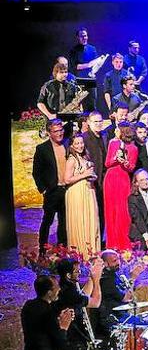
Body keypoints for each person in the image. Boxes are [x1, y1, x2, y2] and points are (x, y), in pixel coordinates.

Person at [55, 257, 104, 350]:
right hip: (74, 341)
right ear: (68, 275)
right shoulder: (69, 292)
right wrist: (97, 280)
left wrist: (91, 277)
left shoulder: (68, 287)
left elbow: (83, 297)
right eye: (77, 271)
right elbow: (95, 302)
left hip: (74, 340)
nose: (80, 272)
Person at [33, 119, 68, 253]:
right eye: (56, 131)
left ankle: (62, 246)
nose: (59, 133)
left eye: (61, 130)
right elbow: (36, 172)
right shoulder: (42, 149)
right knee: (47, 220)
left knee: (64, 221)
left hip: (66, 190)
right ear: (49, 133)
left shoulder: (67, 144)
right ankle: (42, 247)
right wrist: (43, 189)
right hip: (52, 191)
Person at [64, 133, 100, 257]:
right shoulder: (71, 160)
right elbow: (67, 180)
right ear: (72, 146)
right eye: (77, 143)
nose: (80, 146)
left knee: (91, 220)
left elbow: (92, 175)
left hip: (89, 191)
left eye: (81, 143)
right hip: (76, 193)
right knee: (80, 221)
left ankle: (92, 252)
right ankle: (81, 253)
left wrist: (92, 176)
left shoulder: (86, 158)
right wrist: (84, 175)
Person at [103, 121, 138, 250]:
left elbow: (132, 168)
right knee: (111, 211)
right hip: (110, 180)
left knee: (123, 212)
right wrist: (115, 159)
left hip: (123, 180)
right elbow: (107, 163)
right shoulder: (113, 143)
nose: (115, 131)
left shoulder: (133, 148)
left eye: (117, 129)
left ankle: (123, 243)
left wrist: (126, 163)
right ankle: (112, 244)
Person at [97, 250, 145, 340]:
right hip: (112, 319)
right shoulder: (106, 280)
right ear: (105, 264)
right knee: (143, 324)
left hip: (119, 314)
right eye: (114, 261)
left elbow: (125, 290)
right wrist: (133, 278)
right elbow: (126, 298)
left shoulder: (113, 274)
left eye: (118, 259)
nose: (118, 262)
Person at [21, 275, 74, 350]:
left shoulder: (28, 305)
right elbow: (60, 342)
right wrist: (63, 328)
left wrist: (59, 319)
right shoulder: (47, 312)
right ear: (49, 293)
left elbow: (42, 327)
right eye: (56, 287)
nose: (59, 289)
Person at [82, 112, 107, 245]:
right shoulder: (84, 138)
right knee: (92, 213)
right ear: (89, 123)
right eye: (95, 122)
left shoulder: (104, 136)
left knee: (102, 213)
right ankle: (90, 242)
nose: (98, 124)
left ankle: (100, 241)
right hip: (92, 181)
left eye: (100, 121)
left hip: (104, 180)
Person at [68, 27, 99, 112]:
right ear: (78, 37)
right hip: (80, 79)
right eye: (82, 36)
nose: (84, 38)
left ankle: (92, 121)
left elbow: (96, 63)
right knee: (80, 102)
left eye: (85, 36)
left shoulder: (92, 49)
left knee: (92, 102)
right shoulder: (74, 50)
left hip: (91, 79)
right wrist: (88, 65)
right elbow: (75, 66)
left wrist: (98, 64)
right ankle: (82, 123)